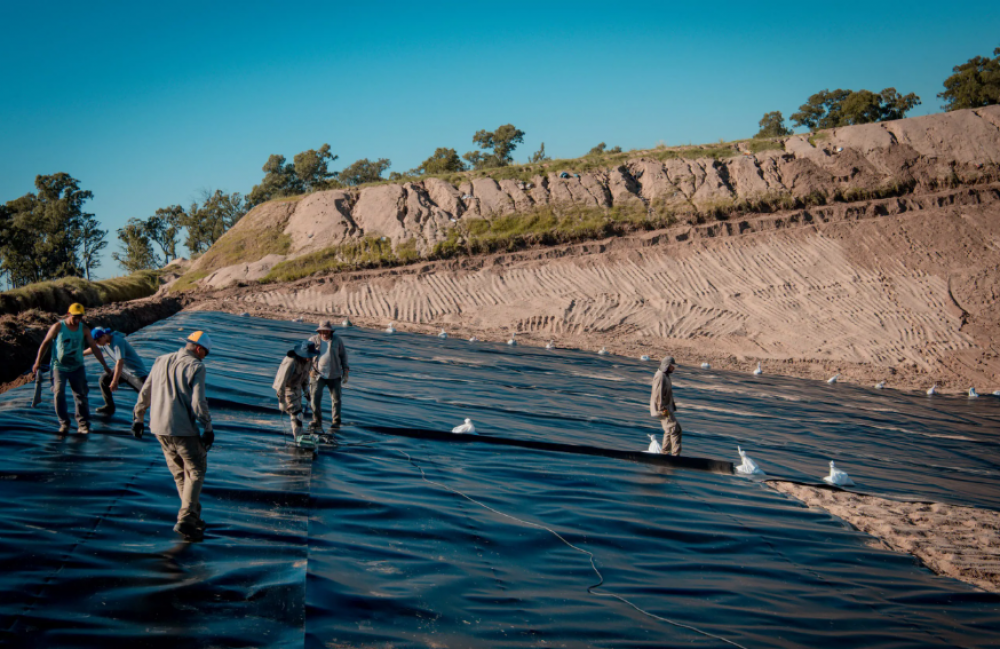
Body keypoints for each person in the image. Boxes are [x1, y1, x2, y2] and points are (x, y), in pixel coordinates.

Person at [133, 331, 215, 541]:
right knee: (196, 470)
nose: (204, 357)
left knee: (180, 474)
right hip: (182, 429)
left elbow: (146, 391)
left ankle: (192, 517)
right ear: (198, 349)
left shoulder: (161, 360)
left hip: (158, 428)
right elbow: (198, 403)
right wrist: (207, 427)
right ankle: (187, 517)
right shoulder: (196, 366)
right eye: (205, 353)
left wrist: (139, 417)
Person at [31, 303, 112, 435]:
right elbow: (45, 343)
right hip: (59, 368)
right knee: (59, 393)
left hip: (77, 367)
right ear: (68, 314)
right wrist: (37, 362)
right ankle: (64, 423)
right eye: (75, 317)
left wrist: (105, 365)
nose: (77, 320)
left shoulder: (84, 329)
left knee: (81, 395)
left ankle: (83, 424)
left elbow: (95, 348)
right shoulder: (58, 327)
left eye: (80, 317)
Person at [85, 327, 148, 416]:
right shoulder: (104, 341)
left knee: (148, 396)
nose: (97, 343)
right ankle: (109, 406)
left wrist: (115, 381)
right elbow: (94, 348)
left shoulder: (117, 342)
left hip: (136, 374)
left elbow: (120, 363)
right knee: (104, 380)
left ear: (103, 336)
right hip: (123, 371)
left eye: (98, 341)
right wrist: (81, 353)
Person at [273, 340, 320, 441]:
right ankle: (298, 439)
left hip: (297, 389)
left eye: (311, 356)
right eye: (308, 356)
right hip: (287, 388)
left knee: (299, 414)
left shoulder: (309, 360)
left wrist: (306, 391)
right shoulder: (291, 362)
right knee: (297, 414)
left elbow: (305, 377)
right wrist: (281, 400)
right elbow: (282, 381)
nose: (309, 358)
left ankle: (298, 436)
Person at [308, 320, 349, 434]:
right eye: (322, 331)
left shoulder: (337, 340)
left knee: (336, 399)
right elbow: (306, 356)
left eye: (327, 331)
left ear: (330, 331)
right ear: (319, 331)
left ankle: (336, 421)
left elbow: (343, 356)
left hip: (334, 375)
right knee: (315, 399)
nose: (325, 333)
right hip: (317, 375)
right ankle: (316, 420)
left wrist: (345, 371)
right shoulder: (313, 340)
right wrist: (309, 371)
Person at [650, 356, 682, 456]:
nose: (674, 368)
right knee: (675, 429)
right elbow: (658, 394)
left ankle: (664, 454)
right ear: (666, 366)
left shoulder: (665, 375)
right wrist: (662, 409)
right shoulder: (660, 376)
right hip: (663, 409)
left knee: (669, 430)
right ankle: (676, 456)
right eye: (672, 366)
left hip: (665, 408)